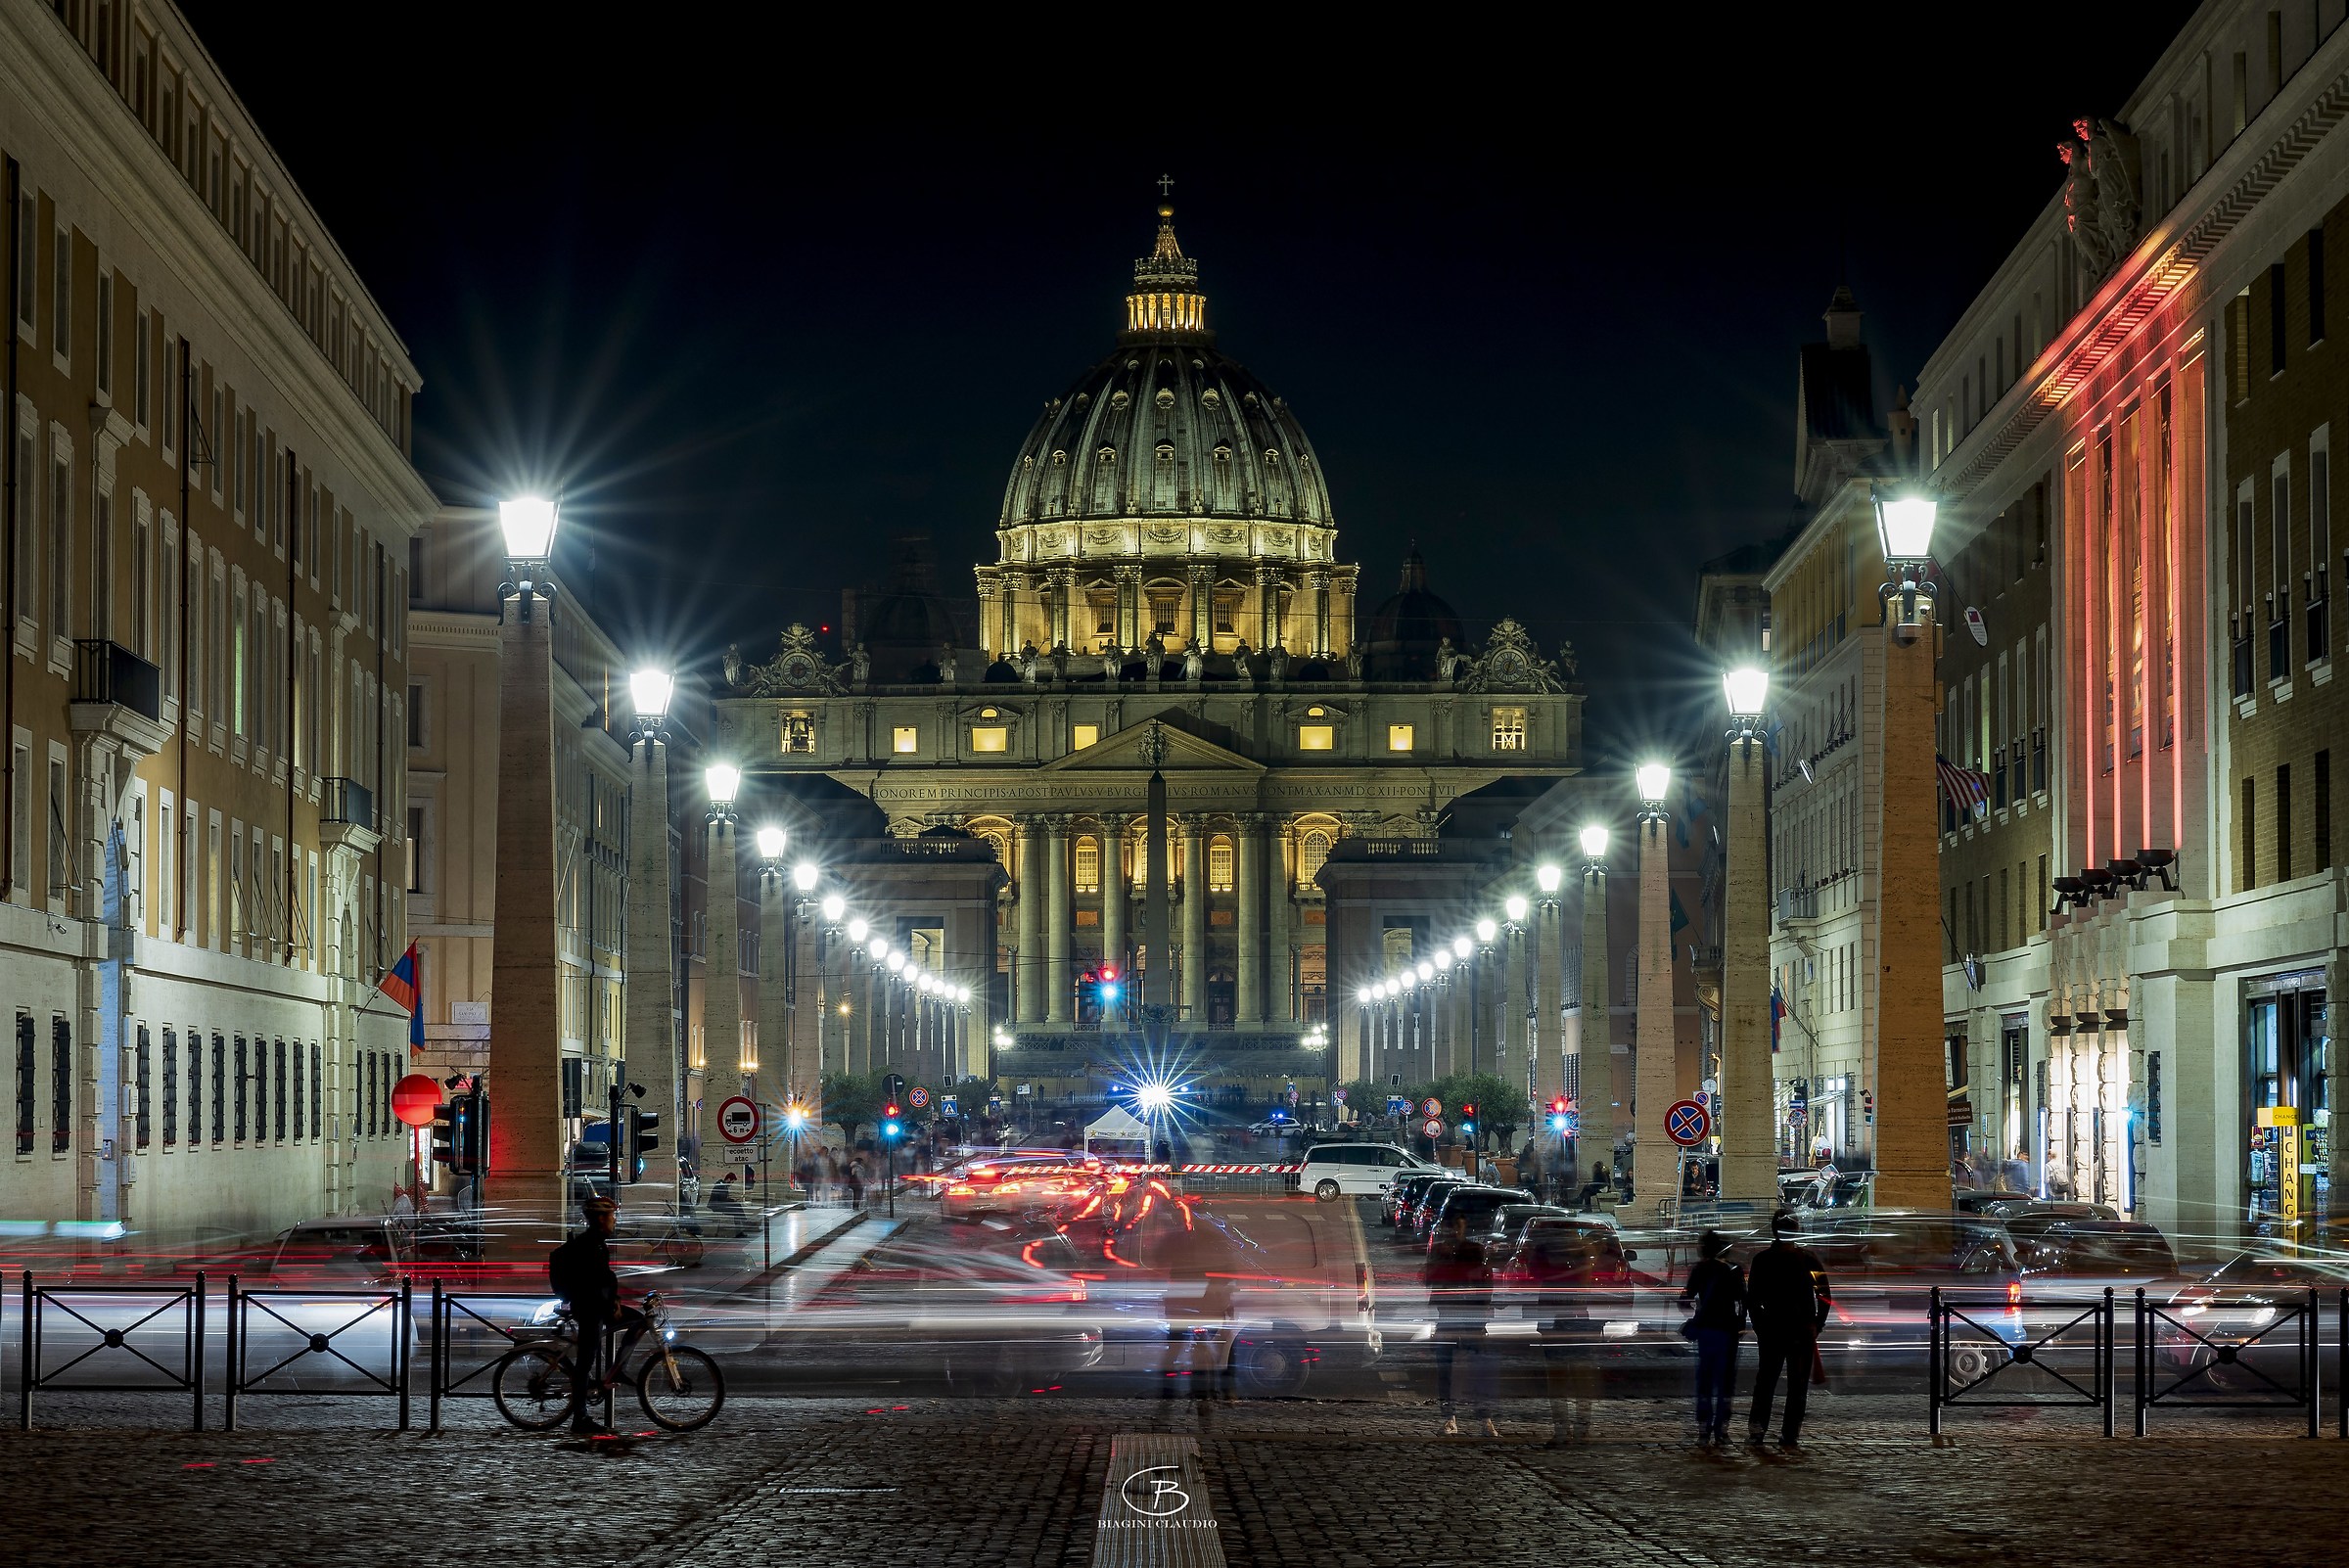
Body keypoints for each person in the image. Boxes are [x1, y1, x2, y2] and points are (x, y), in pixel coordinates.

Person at [545, 1197, 647, 1435]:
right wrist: (611, 1303)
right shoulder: (589, 1245)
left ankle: (616, 1367)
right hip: (589, 1308)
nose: (614, 1221)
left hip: (596, 1305)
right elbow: (591, 1282)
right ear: (600, 1218)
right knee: (585, 1363)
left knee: (639, 1322)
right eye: (611, 1216)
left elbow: (604, 1278)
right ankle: (579, 1419)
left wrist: (615, 1299)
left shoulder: (597, 1243)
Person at [1744, 1210, 1832, 1447]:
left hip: (1772, 1328)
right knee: (1797, 1385)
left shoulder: (1762, 1260)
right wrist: (1818, 1322)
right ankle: (1790, 1434)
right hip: (1802, 1330)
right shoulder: (1808, 1259)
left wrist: (1760, 1325)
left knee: (1766, 1381)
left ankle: (1758, 1429)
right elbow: (1824, 1294)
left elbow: (1752, 1299)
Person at [1423, 1215, 1498, 1437]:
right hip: (1448, 1315)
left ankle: (1485, 1418)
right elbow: (1430, 1281)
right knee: (1445, 1369)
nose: (1454, 1231)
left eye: (1458, 1225)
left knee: (1479, 1368)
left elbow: (1485, 1281)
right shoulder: (1439, 1251)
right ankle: (1450, 1417)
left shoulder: (1474, 1250)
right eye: (1451, 1226)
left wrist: (1483, 1309)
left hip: (1471, 1316)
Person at [1678, 1228, 1746, 1447]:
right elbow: (1744, 1300)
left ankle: (1703, 1427)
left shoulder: (1700, 1269)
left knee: (1705, 1380)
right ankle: (1722, 1429)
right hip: (1728, 1330)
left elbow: (1686, 1298)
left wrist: (1694, 1312)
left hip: (1707, 1330)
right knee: (1726, 1382)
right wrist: (1740, 1324)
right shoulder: (1734, 1270)